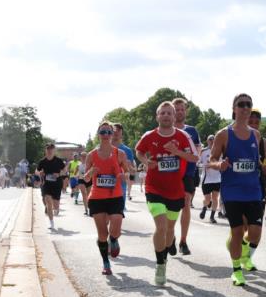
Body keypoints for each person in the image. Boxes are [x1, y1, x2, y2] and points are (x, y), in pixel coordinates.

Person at [210, 93, 266, 286]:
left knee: (255, 233)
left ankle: (242, 249)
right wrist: (219, 164)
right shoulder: (224, 134)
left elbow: (256, 162)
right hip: (232, 191)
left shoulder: (256, 135)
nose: (245, 108)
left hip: (253, 189)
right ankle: (237, 270)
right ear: (234, 109)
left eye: (248, 104)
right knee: (237, 231)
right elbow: (211, 160)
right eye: (241, 104)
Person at [136, 101, 196, 286]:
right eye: (163, 113)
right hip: (154, 188)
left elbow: (194, 157)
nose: (166, 116)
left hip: (175, 190)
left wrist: (176, 151)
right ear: (157, 116)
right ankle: (160, 264)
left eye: (169, 113)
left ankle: (168, 248)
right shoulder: (149, 136)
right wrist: (146, 161)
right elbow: (139, 151)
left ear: (174, 116)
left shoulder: (183, 136)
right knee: (161, 226)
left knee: (169, 230)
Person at [84, 121, 131, 275]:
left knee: (115, 230)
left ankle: (114, 240)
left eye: (109, 132)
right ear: (98, 134)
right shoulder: (91, 155)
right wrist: (91, 172)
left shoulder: (120, 153)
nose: (106, 135)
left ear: (112, 135)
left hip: (115, 196)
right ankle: (106, 263)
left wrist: (123, 175)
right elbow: (85, 178)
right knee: (102, 234)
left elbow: (128, 172)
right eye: (103, 132)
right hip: (97, 198)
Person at [171, 98, 201, 255]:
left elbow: (198, 150)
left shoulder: (192, 131)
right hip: (169, 173)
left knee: (186, 203)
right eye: (177, 109)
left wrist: (192, 155)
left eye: (182, 109)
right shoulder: (165, 130)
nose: (180, 112)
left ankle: (183, 241)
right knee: (171, 207)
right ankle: (170, 236)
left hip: (188, 172)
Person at [35, 144, 67, 229]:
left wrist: (59, 174)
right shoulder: (42, 161)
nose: (49, 151)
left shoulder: (58, 161)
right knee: (48, 202)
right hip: (46, 184)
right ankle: (51, 223)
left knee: (55, 206)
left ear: (54, 151)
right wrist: (39, 173)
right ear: (45, 151)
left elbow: (65, 170)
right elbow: (36, 171)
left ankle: (56, 209)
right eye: (48, 149)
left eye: (51, 149)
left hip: (57, 185)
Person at [198, 134, 222, 223]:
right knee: (207, 198)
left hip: (217, 178)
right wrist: (204, 165)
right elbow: (198, 162)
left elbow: (222, 162)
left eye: (213, 140)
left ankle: (212, 217)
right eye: (210, 140)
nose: (212, 141)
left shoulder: (220, 151)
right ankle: (204, 208)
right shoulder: (203, 151)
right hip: (206, 179)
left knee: (215, 198)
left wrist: (218, 165)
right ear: (207, 141)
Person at [111, 123, 137, 203]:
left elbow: (133, 171)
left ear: (122, 134)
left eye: (119, 130)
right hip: (104, 186)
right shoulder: (102, 148)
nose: (116, 132)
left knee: (118, 210)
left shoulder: (127, 150)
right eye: (114, 130)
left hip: (121, 187)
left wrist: (129, 166)